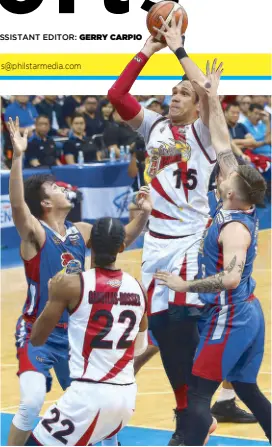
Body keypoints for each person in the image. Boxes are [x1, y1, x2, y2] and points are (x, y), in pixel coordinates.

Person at [107, 14, 230, 444]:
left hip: (191, 239)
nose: (175, 96)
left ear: (196, 105)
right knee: (161, 329)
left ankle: (198, 409)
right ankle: (190, 412)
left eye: (183, 92)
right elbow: (116, 94)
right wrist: (148, 50)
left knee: (181, 320)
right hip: (155, 242)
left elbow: (212, 96)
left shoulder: (202, 131)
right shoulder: (153, 126)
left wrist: (180, 49)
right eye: (172, 91)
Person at [7, 116, 152, 446]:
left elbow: (121, 240)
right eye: (56, 188)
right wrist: (17, 157)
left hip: (73, 335)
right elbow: (17, 205)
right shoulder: (35, 234)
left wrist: (142, 215)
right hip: (36, 332)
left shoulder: (81, 231)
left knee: (93, 404)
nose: (64, 189)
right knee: (30, 404)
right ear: (45, 203)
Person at [154, 69, 271, 445]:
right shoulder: (236, 197)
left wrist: (184, 284)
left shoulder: (235, 227)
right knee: (247, 389)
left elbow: (231, 277)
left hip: (231, 313)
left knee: (200, 394)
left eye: (228, 179)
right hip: (247, 311)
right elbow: (222, 141)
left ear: (237, 195)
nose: (222, 176)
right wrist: (211, 95)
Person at [24, 217, 148, 446]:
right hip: (126, 400)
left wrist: (53, 297)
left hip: (88, 397)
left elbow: (37, 338)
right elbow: (139, 347)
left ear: (89, 243)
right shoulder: (139, 288)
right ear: (122, 248)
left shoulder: (72, 285)